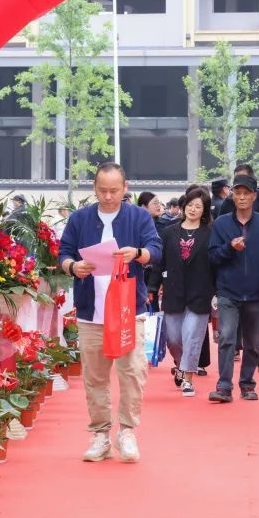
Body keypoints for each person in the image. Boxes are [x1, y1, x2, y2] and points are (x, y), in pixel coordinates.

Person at [58, 162, 163, 463]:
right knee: (95, 377)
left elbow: (156, 250)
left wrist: (137, 254)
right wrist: (73, 267)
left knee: (132, 373)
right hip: (91, 311)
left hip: (129, 310)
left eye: (114, 191)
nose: (107, 196)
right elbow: (63, 253)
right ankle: (100, 434)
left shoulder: (139, 217)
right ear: (94, 188)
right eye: (102, 190)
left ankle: (127, 431)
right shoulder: (80, 219)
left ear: (125, 188)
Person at [207, 175, 259, 403]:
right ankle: (224, 386)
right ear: (232, 195)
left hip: (256, 293)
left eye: (246, 193)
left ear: (254, 196)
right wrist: (229, 248)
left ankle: (247, 384)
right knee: (226, 338)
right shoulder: (221, 224)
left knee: (252, 343)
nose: (241, 197)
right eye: (237, 193)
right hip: (227, 291)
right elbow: (212, 257)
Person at [148, 187, 214, 398]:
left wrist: (217, 292)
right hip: (173, 291)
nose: (193, 209)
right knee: (174, 338)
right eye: (190, 205)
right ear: (184, 207)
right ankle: (179, 364)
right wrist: (152, 287)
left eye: (198, 206)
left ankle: (187, 378)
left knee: (193, 336)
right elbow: (159, 262)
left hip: (200, 292)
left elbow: (217, 264)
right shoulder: (169, 232)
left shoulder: (211, 233)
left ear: (204, 210)